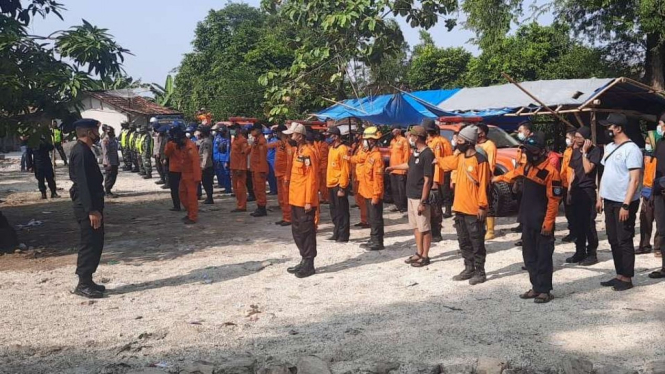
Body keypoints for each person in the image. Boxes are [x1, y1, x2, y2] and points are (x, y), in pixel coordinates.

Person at [493, 132, 562, 303]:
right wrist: (497, 178)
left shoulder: (550, 173)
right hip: (527, 219)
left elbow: (554, 201)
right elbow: (513, 174)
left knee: (543, 257)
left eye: (530, 151)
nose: (526, 154)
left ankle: (545, 290)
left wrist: (548, 224)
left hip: (542, 221)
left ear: (540, 151)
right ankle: (535, 287)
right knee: (529, 256)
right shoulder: (527, 167)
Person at [435, 125, 491, 285]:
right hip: (459, 207)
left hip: (474, 209)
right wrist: (436, 159)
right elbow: (447, 163)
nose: (456, 142)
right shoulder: (459, 157)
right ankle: (469, 268)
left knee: (477, 242)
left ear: (468, 142)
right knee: (463, 240)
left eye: (459, 140)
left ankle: (480, 272)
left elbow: (484, 186)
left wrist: (482, 206)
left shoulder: (481, 161)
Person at [596, 114, 642, 291]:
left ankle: (627, 278)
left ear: (618, 128)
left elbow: (635, 180)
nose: (607, 129)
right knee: (613, 239)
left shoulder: (632, 150)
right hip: (609, 200)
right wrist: (600, 195)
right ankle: (619, 274)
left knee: (624, 239)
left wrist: (626, 204)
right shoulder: (609, 147)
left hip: (623, 202)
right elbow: (605, 173)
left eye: (609, 126)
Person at [386, 126, 434, 267]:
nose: (409, 139)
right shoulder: (416, 153)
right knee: (416, 226)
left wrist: (423, 201)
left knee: (424, 228)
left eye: (411, 136)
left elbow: (427, 180)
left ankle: (425, 256)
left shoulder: (427, 154)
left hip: (420, 197)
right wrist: (393, 167)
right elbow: (408, 165)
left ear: (417, 137)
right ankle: (418, 252)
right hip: (411, 195)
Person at [68, 119, 105, 299]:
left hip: (91, 203)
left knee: (96, 241)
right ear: (89, 132)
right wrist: (91, 210)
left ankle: (88, 280)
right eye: (96, 131)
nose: (98, 134)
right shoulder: (81, 152)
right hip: (86, 206)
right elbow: (83, 183)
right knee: (89, 242)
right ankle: (83, 283)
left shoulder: (83, 150)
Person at [283, 123, 319, 278]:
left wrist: (309, 200)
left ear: (300, 136)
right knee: (297, 231)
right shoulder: (298, 151)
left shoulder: (309, 153)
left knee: (307, 232)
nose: (290, 137)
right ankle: (304, 259)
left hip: (305, 200)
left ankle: (309, 264)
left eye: (292, 134)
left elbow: (312, 178)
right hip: (295, 199)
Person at [567, 126, 602, 266]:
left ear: (587, 139)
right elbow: (574, 172)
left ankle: (592, 253)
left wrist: (585, 153)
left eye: (579, 137)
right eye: (575, 137)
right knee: (577, 223)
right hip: (576, 190)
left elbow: (588, 169)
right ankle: (579, 251)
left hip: (587, 190)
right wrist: (569, 191)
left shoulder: (594, 151)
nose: (576, 139)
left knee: (588, 222)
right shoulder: (574, 151)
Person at [424, 119, 453, 242]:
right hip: (432, 176)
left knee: (437, 202)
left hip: (439, 174)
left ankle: (437, 232)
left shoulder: (437, 143)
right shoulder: (430, 142)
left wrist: (435, 181)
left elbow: (437, 162)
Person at [357, 126, 385, 251]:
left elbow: (378, 178)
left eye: (366, 140)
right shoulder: (369, 155)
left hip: (374, 193)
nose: (364, 142)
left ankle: (377, 241)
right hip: (367, 192)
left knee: (376, 218)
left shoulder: (377, 157)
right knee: (371, 218)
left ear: (372, 141)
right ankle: (373, 238)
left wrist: (376, 195)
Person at [324, 126, 351, 242]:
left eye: (329, 135)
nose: (327, 138)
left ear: (335, 136)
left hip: (338, 184)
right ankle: (336, 231)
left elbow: (345, 169)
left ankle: (343, 235)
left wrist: (342, 187)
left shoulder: (342, 149)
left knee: (342, 211)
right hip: (331, 183)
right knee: (334, 210)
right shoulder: (332, 149)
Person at [173, 126, 201, 224]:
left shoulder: (190, 146)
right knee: (182, 194)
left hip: (191, 175)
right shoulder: (183, 146)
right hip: (184, 174)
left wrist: (197, 177)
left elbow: (196, 162)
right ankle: (189, 212)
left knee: (191, 197)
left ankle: (192, 216)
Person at [268, 124, 294, 226]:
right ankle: (285, 216)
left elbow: (289, 162)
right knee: (281, 198)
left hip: (285, 175)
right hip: (278, 174)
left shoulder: (288, 145)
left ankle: (289, 218)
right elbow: (268, 146)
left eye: (278, 132)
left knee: (286, 197)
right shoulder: (280, 143)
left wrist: (287, 176)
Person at [638, 135, 659, 255]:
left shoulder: (660, 156)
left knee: (660, 221)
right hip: (646, 190)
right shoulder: (646, 156)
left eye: (649, 142)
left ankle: (658, 247)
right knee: (645, 219)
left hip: (657, 191)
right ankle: (644, 245)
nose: (647, 145)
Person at [476, 123, 498, 240]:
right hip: (475, 179)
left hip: (486, 178)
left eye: (477, 131)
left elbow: (491, 163)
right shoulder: (475, 144)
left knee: (488, 204)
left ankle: (490, 230)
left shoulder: (490, 145)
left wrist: (486, 178)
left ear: (483, 133)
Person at [650, 114, 665, 279]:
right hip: (659, 192)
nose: (659, 128)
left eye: (661, 124)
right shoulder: (659, 143)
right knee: (662, 230)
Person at [388, 124, 410, 213]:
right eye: (392, 130)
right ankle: (398, 205)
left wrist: (405, 168)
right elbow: (391, 155)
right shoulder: (392, 142)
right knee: (394, 189)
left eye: (394, 129)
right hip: (393, 169)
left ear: (399, 130)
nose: (392, 131)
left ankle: (404, 206)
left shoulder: (404, 141)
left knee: (402, 189)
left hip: (401, 169)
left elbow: (406, 154)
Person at [350, 127, 369, 228]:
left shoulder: (365, 147)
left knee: (365, 200)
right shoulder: (357, 146)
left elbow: (361, 158)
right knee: (360, 200)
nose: (356, 136)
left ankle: (367, 220)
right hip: (356, 174)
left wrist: (351, 158)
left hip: (363, 176)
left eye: (358, 134)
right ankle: (363, 219)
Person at [560, 130, 577, 243]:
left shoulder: (577, 152)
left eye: (568, 137)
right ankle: (572, 231)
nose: (566, 140)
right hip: (565, 184)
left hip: (573, 185)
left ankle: (576, 233)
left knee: (573, 211)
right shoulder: (567, 151)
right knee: (568, 211)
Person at [249, 123, 269, 217]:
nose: (252, 132)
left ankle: (262, 208)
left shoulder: (261, 141)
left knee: (260, 189)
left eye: (254, 130)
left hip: (259, 169)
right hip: (255, 168)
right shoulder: (256, 140)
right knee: (256, 189)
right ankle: (259, 206)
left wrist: (262, 170)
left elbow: (262, 157)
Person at [230, 125, 251, 213]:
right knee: (235, 188)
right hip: (234, 167)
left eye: (233, 129)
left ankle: (242, 206)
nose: (231, 131)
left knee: (240, 187)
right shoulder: (234, 140)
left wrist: (241, 167)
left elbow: (244, 155)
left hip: (239, 168)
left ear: (238, 130)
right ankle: (239, 204)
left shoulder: (242, 140)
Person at [164, 126, 184, 212]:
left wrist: (168, 143)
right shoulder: (185, 143)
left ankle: (177, 206)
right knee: (184, 188)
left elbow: (166, 153)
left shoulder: (171, 144)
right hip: (184, 168)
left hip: (174, 168)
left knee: (174, 189)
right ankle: (187, 205)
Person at [197, 125, 214, 204]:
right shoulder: (204, 140)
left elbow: (206, 154)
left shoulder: (206, 142)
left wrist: (203, 166)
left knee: (207, 182)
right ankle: (209, 197)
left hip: (207, 165)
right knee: (205, 182)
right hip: (206, 164)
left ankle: (209, 198)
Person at [212, 124, 232, 193]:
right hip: (217, 158)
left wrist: (227, 160)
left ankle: (228, 188)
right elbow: (214, 149)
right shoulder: (216, 138)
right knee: (219, 173)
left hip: (224, 159)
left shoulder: (227, 140)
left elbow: (228, 151)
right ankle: (222, 185)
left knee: (226, 173)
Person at [101, 127, 119, 198]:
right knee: (109, 177)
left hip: (114, 161)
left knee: (113, 176)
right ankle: (107, 191)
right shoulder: (106, 140)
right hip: (109, 162)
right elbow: (106, 153)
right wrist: (108, 163)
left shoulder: (112, 139)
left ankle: (109, 190)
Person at [152, 119, 167, 186]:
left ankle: (165, 180)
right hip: (156, 152)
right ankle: (162, 178)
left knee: (162, 168)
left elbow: (160, 145)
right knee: (158, 167)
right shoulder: (155, 134)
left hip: (159, 153)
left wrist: (158, 153)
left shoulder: (161, 135)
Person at [316, 132, 330, 205]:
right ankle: (322, 197)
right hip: (319, 167)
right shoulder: (318, 144)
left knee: (325, 182)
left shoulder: (326, 145)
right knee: (320, 183)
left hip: (325, 166)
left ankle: (327, 197)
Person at [266, 128, 279, 195]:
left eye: (268, 134)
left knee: (273, 176)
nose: (267, 135)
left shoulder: (275, 141)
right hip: (268, 160)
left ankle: (274, 190)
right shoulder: (267, 141)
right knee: (269, 176)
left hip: (273, 161)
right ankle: (272, 189)